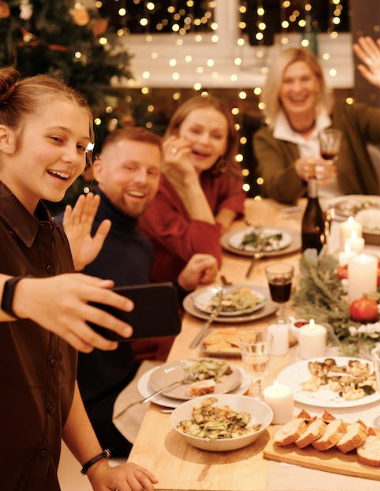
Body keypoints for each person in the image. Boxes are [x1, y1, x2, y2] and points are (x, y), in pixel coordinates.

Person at [0, 68, 156, 490]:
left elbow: (56, 374)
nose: (74, 157)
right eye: (57, 139)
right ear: (5, 138)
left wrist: (96, 465)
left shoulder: (51, 234)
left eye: (82, 145)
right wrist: (21, 294)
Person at [59, 127, 218, 458]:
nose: (142, 180)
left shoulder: (139, 241)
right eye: (129, 168)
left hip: (131, 378)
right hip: (87, 409)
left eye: (151, 171)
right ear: (98, 170)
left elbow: (128, 308)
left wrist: (181, 285)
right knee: (204, 439)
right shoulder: (68, 233)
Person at [255, 37, 380, 204]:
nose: (297, 89)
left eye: (305, 79)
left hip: (355, 218)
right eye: (288, 81)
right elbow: (275, 190)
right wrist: (298, 172)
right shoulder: (267, 138)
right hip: (302, 220)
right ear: (277, 88)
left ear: (318, 83)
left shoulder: (347, 115)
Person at [138, 95, 245, 283]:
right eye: (196, 131)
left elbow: (236, 191)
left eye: (216, 136)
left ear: (225, 147)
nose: (204, 141)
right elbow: (208, 256)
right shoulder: (150, 185)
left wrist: (222, 221)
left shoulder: (211, 170)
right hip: (169, 293)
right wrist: (190, 180)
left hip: (200, 286)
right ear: (175, 133)